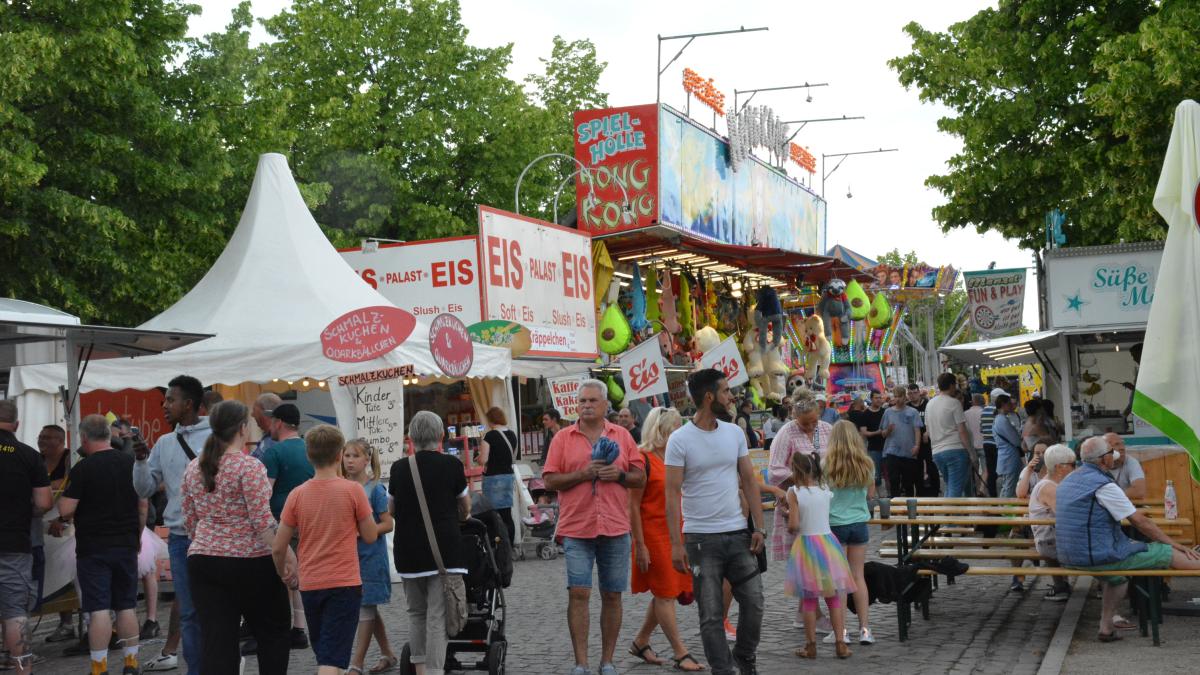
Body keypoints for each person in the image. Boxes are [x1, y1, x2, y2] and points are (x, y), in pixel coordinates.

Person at [180, 400, 294, 675]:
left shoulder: (194, 467)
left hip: (205, 559)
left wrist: (211, 540)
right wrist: (288, 554)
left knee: (217, 640)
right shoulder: (249, 467)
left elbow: (190, 519)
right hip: (251, 560)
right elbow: (262, 522)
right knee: (273, 632)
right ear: (242, 428)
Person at [665, 369, 764, 675]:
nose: (731, 396)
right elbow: (671, 493)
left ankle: (744, 656)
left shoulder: (734, 433)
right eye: (725, 391)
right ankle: (723, 669)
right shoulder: (679, 439)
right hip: (699, 539)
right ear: (709, 397)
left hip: (737, 532)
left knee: (755, 602)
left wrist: (758, 525)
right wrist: (676, 544)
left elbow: (748, 479)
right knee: (710, 613)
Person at [543, 379, 646, 675]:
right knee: (579, 593)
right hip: (577, 527)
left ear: (604, 405)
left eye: (592, 401)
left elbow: (640, 477)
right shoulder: (563, 438)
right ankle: (581, 663)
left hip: (615, 527)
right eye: (582, 401)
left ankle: (607, 661)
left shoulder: (623, 437)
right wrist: (582, 474)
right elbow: (549, 481)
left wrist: (620, 475)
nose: (586, 405)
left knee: (612, 594)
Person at [1055, 435, 1200, 641]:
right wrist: (1175, 543)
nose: (1115, 454)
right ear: (1104, 459)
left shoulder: (1071, 478)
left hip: (1069, 555)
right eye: (1110, 451)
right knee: (1163, 551)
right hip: (1094, 555)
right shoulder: (1103, 485)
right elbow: (1140, 522)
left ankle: (1106, 628)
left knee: (1117, 579)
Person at [274, 424, 375, 674]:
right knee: (332, 659)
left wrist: (284, 572)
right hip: (344, 583)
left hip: (310, 584)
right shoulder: (353, 491)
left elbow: (278, 547)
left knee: (328, 654)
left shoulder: (296, 495)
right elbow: (371, 535)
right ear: (340, 454)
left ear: (309, 455)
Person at [132, 374, 212, 673]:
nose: (165, 406)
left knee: (219, 608)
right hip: (180, 537)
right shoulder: (164, 443)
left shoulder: (216, 436)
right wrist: (140, 460)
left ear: (189, 404)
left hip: (216, 534)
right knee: (189, 610)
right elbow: (144, 489)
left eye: (170, 400)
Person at [59, 415, 146, 675]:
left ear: (84, 439)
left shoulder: (82, 468)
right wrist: (138, 535)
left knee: (98, 609)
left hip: (93, 548)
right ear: (110, 436)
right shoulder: (130, 462)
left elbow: (66, 509)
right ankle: (131, 665)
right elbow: (143, 505)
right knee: (126, 606)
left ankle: (99, 668)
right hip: (126, 544)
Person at [389, 411, 470, 675]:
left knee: (416, 613)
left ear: (411, 438)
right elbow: (465, 508)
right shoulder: (452, 465)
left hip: (409, 551)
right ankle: (434, 672)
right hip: (444, 549)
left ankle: (420, 669)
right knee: (437, 615)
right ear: (441, 436)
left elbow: (392, 509)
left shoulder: (399, 468)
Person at [627, 407, 705, 672]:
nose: (678, 434)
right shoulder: (643, 458)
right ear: (659, 430)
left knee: (667, 592)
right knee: (665, 594)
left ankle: (641, 641)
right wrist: (640, 545)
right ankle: (680, 652)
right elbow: (633, 506)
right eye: (673, 429)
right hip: (652, 534)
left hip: (676, 531)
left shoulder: (675, 457)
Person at [784, 452, 855, 660]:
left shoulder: (794, 492)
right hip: (827, 544)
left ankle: (810, 646)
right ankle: (840, 643)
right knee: (833, 596)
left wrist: (786, 515)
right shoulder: (825, 489)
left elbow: (794, 525)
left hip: (807, 546)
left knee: (809, 599)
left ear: (796, 470)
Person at [0, 400, 52, 675]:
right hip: (14, 543)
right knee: (14, 611)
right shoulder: (28, 455)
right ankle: (22, 669)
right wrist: (22, 509)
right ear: (16, 424)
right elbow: (44, 503)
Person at [341, 439, 397, 675]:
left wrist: (366, 531)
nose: (350, 460)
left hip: (371, 558)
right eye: (346, 456)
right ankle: (388, 654)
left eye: (355, 456)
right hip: (350, 557)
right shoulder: (342, 487)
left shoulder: (375, 489)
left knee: (365, 608)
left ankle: (356, 663)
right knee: (368, 608)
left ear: (366, 459)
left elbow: (388, 523)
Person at [261, 403, 314, 648]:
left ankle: (287, 627)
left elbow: (263, 493)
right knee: (304, 573)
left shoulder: (273, 454)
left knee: (286, 575)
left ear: (279, 423)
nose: (270, 425)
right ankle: (301, 628)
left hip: (283, 522)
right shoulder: (310, 448)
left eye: (272, 421)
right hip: (311, 518)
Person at [823, 420, 877, 646]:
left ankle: (842, 630)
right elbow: (870, 494)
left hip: (835, 524)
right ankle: (865, 629)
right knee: (858, 577)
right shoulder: (866, 463)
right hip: (859, 523)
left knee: (840, 580)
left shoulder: (827, 464)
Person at [768, 392, 833, 563]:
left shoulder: (827, 429)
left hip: (824, 502)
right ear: (794, 416)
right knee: (802, 560)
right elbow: (774, 470)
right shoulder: (786, 433)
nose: (811, 427)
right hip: (798, 503)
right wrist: (804, 481)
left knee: (824, 557)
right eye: (805, 424)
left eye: (814, 421)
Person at [36, 424, 76, 646]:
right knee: (49, 572)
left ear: (60, 440)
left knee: (66, 575)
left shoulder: (70, 459)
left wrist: (46, 486)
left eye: (47, 437)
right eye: (41, 436)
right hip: (42, 523)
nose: (41, 440)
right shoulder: (36, 459)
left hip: (65, 523)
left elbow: (69, 484)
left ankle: (69, 623)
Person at [1020, 444, 1074, 602]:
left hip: (1051, 539)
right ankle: (1109, 586)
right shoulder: (1049, 488)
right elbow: (1067, 518)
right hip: (1050, 542)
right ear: (1059, 467)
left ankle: (1061, 586)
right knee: (1103, 544)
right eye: (1072, 465)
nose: (1075, 468)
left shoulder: (1051, 482)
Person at [925, 373, 975, 498]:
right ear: (952, 385)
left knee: (950, 486)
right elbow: (962, 431)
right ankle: (952, 516)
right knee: (955, 489)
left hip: (937, 452)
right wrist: (971, 453)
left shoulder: (929, 404)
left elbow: (929, 431)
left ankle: (948, 514)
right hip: (956, 450)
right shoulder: (954, 403)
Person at [479, 407, 518, 544]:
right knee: (507, 514)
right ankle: (510, 545)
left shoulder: (490, 436)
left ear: (490, 420)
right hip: (508, 477)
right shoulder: (512, 434)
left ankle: (498, 545)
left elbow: (483, 459)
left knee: (493, 515)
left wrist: (477, 458)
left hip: (493, 478)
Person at [880, 386, 923, 499]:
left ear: (905, 397)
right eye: (895, 396)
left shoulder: (913, 412)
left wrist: (917, 445)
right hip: (891, 452)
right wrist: (888, 430)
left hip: (908, 452)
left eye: (900, 396)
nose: (897, 399)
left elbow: (917, 430)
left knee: (908, 483)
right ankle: (895, 508)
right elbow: (883, 434)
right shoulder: (888, 412)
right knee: (894, 481)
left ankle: (909, 509)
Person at [846, 390, 886, 493]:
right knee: (875, 475)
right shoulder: (865, 414)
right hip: (873, 448)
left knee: (888, 474)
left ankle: (889, 496)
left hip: (887, 447)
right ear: (871, 399)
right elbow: (864, 432)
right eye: (877, 398)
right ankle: (879, 497)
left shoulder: (885, 412)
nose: (879, 400)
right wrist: (878, 432)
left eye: (880, 397)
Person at [992, 394, 1025, 498]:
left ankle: (1004, 509)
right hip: (1009, 456)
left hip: (1006, 455)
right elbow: (1015, 440)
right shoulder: (1002, 420)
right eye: (1009, 403)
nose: (1012, 405)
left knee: (1007, 485)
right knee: (1010, 487)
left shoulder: (999, 419)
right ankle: (1005, 511)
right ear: (1003, 404)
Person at [1103, 433, 1146, 500]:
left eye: (1122, 444)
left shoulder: (1131, 461)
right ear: (1105, 449)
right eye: (1117, 444)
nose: (1122, 448)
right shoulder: (1098, 464)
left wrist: (1110, 497)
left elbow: (1139, 491)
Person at [979, 389, 1002, 497]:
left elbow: (981, 429)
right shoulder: (998, 411)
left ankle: (992, 495)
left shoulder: (983, 410)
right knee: (998, 470)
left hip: (986, 443)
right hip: (996, 444)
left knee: (990, 470)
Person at [250, 392, 283, 462]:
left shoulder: (272, 442)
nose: (252, 414)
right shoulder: (274, 437)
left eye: (254, 410)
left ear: (265, 413)